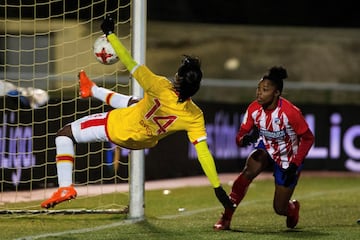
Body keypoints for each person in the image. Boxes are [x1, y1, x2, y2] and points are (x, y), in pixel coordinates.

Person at [41, 15, 233, 210]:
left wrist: (110, 34)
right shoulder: (195, 115)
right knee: (135, 102)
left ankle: (65, 188)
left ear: (178, 77)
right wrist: (217, 188)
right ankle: (91, 90)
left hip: (119, 128)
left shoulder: (159, 85)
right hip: (143, 142)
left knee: (64, 134)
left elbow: (128, 61)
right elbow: (204, 153)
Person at [213, 66, 314, 230]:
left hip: (288, 157)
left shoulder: (290, 112)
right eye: (258, 89)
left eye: (265, 90)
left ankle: (292, 209)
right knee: (249, 169)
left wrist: (295, 164)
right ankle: (226, 217)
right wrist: (244, 139)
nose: (259, 93)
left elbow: (308, 138)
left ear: (276, 93)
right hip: (266, 147)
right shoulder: (254, 109)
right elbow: (239, 137)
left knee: (279, 208)